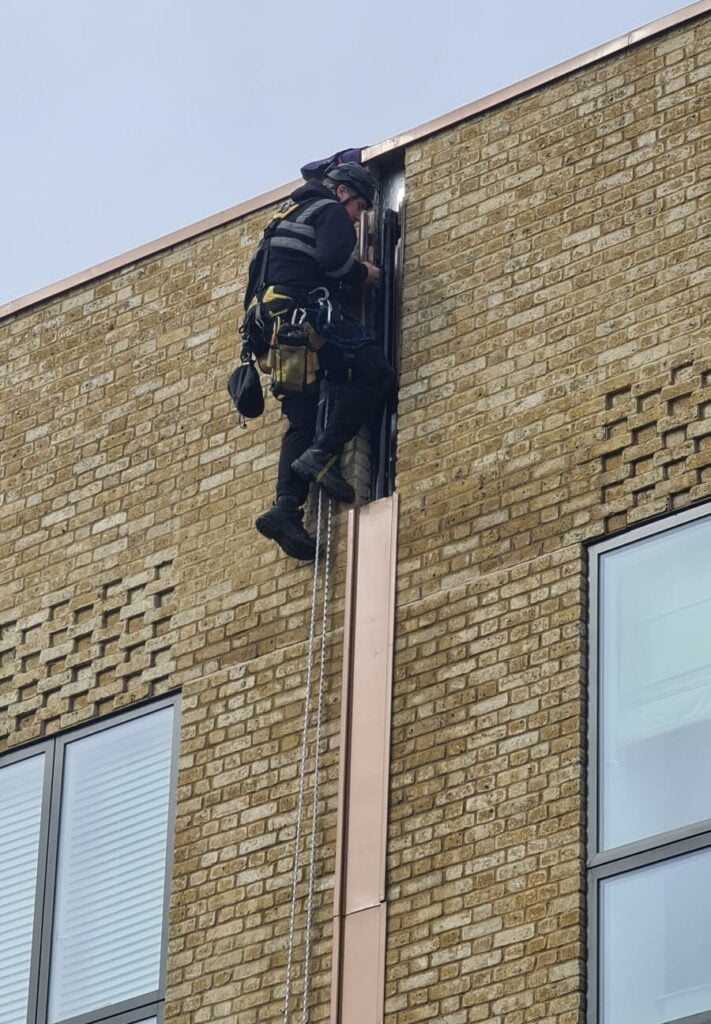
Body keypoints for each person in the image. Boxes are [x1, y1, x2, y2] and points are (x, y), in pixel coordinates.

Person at [244, 162, 395, 561]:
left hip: (272, 334)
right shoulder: (328, 210)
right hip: (304, 319)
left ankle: (284, 510)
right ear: (343, 193)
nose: (359, 217)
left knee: (302, 418)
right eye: (359, 207)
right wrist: (365, 272)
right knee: (376, 374)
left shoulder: (282, 218)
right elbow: (332, 260)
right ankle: (324, 453)